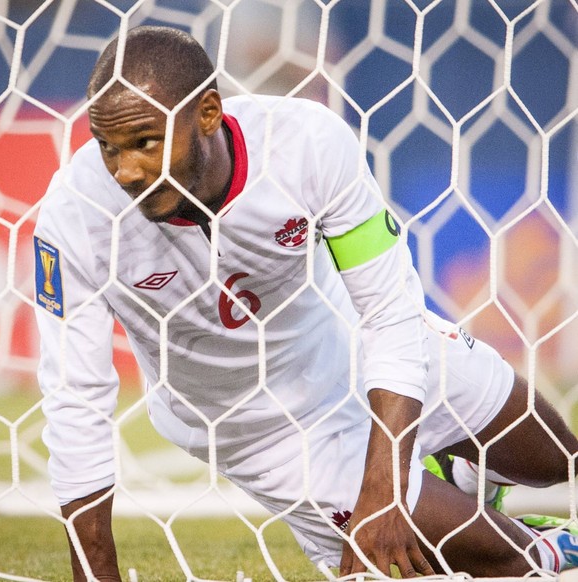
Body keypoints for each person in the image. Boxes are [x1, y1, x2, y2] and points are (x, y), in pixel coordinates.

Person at [33, 25, 578, 581]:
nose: (125, 171)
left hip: (348, 341)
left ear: (208, 113)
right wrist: (95, 570)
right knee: (521, 566)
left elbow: (389, 311)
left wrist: (385, 489)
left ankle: (457, 478)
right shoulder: (75, 218)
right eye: (107, 147)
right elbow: (75, 397)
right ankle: (541, 546)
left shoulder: (308, 145)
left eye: (145, 143)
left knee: (556, 457)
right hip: (260, 427)